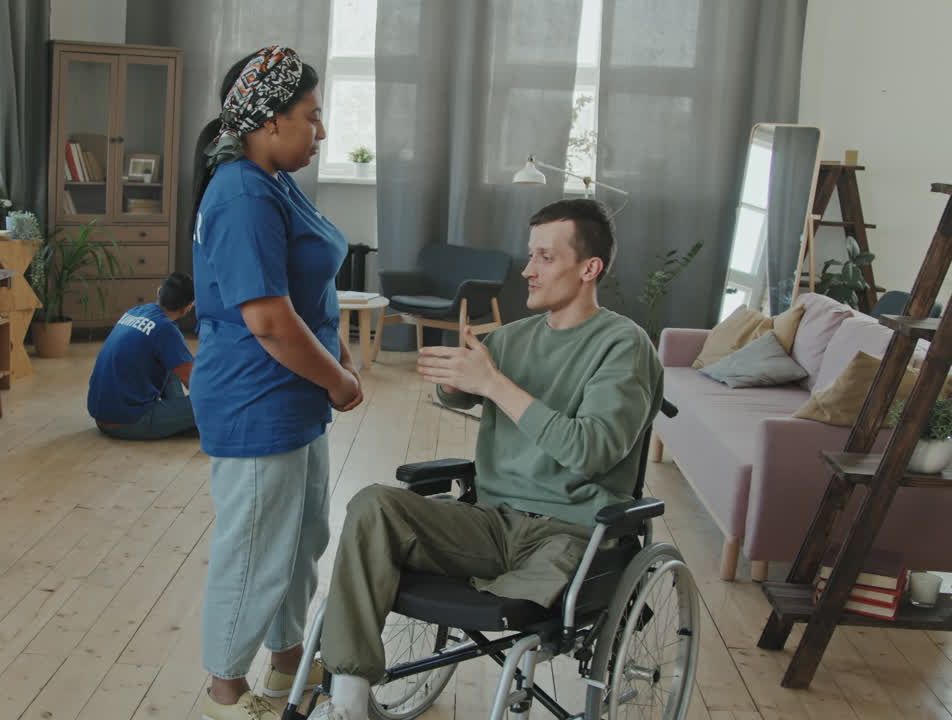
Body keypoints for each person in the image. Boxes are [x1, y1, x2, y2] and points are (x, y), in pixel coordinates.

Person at [309, 199, 664, 720]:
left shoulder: (623, 345)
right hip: (492, 524)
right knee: (373, 504)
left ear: (590, 269)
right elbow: (465, 394)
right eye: (530, 255)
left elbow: (591, 451)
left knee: (511, 599)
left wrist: (493, 384)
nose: (527, 270)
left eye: (544, 256)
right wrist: (456, 384)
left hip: (571, 535)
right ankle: (348, 703)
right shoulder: (515, 337)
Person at [191, 45, 363, 720]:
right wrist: (342, 384)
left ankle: (285, 669)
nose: (320, 132)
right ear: (268, 122)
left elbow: (302, 284)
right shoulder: (238, 193)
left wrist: (335, 360)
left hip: (293, 394)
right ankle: (224, 694)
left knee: (299, 540)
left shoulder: (272, 181)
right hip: (257, 397)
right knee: (256, 550)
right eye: (311, 117)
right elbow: (266, 317)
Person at [86, 272, 196, 440]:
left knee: (174, 360)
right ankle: (183, 422)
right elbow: (195, 384)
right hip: (130, 421)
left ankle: (180, 421)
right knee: (214, 401)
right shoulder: (166, 330)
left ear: (159, 292)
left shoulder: (135, 311)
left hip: (102, 416)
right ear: (188, 307)